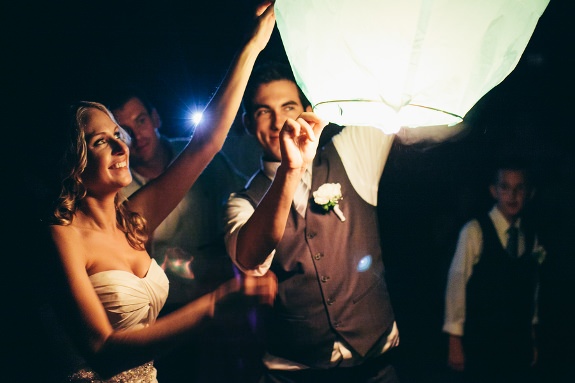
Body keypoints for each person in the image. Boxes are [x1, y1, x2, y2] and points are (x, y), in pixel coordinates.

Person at [44, 3, 277, 382]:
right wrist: (216, 304)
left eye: (120, 135)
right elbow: (103, 351)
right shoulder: (62, 234)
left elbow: (206, 144)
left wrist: (250, 47)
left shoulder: (134, 219)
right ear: (74, 163)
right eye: (103, 141)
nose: (124, 146)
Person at [224, 61, 401, 382]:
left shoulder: (350, 153)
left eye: (288, 107)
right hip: (295, 374)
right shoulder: (241, 201)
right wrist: (290, 169)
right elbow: (250, 262)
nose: (278, 120)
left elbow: (388, 95)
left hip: (378, 365)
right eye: (264, 111)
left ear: (307, 110)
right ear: (249, 124)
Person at [107, 89, 246, 307]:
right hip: (171, 307)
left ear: (155, 118)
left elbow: (244, 200)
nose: (137, 135)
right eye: (124, 131)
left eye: (141, 121)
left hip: (231, 291)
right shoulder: (116, 192)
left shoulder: (198, 154)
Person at [443, 159, 544, 383]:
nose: (513, 195)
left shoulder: (529, 236)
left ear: (529, 193)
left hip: (517, 343)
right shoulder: (475, 231)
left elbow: (532, 289)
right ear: (493, 190)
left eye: (519, 188)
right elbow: (456, 284)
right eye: (505, 187)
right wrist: (454, 339)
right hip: (482, 344)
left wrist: (532, 337)